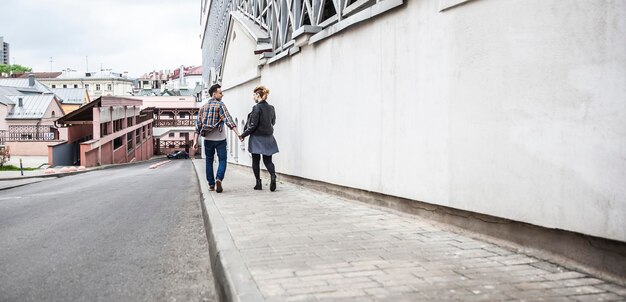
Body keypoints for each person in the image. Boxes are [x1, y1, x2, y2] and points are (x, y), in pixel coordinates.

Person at [193, 84, 241, 193]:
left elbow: (198, 125)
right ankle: (219, 178)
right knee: (222, 160)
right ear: (214, 94)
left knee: (209, 161)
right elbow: (229, 120)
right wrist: (238, 134)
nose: (222, 95)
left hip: (208, 140)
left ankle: (211, 184)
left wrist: (195, 141)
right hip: (220, 139)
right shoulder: (220, 105)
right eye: (220, 93)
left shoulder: (203, 107)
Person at [239, 86, 279, 191]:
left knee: (256, 160)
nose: (253, 97)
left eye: (254, 95)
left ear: (258, 95)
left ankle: (258, 183)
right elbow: (273, 122)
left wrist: (243, 135)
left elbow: (253, 125)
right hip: (269, 137)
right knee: (268, 161)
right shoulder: (271, 108)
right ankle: (273, 176)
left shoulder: (256, 107)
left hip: (257, 137)